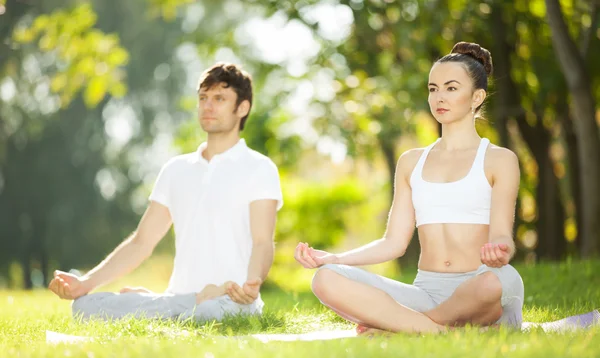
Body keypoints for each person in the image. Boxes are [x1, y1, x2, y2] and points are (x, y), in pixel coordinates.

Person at [294, 42, 524, 335]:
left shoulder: (499, 159)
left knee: (494, 282)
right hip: (424, 294)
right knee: (325, 279)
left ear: (476, 97)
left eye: (451, 88)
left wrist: (501, 252)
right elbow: (393, 243)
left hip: (479, 284)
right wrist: (335, 258)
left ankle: (403, 327)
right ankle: (438, 331)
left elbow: (503, 235)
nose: (439, 97)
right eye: (432, 88)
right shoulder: (411, 162)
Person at [49, 62, 283, 322]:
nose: (208, 106)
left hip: (233, 300)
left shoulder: (259, 168)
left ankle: (172, 306)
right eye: (203, 97)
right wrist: (85, 283)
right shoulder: (176, 169)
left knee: (209, 312)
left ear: (242, 107)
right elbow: (142, 242)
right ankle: (179, 303)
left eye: (219, 98)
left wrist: (251, 284)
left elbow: (263, 242)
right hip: (179, 299)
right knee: (86, 306)